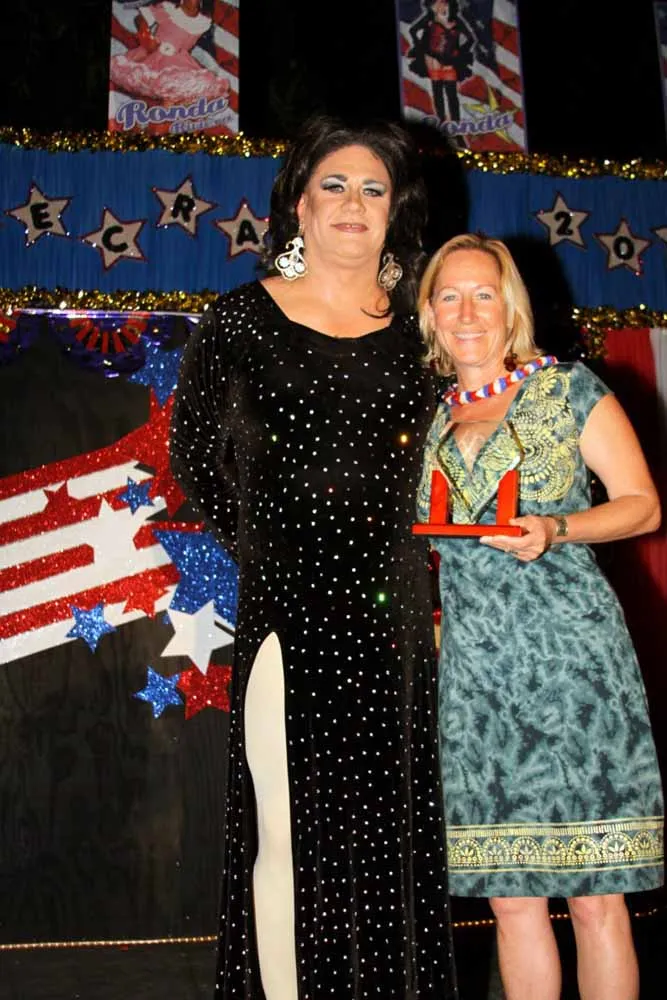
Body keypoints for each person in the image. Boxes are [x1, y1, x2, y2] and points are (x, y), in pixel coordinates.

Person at [170, 115, 458, 1000]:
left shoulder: (428, 322)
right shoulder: (241, 318)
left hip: (395, 615)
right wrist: (266, 550)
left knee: (389, 835)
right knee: (285, 828)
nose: (352, 202)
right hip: (286, 613)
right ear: (298, 204)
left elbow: (475, 444)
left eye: (373, 188)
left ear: (395, 208)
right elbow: (193, 455)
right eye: (333, 184)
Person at [416, 233, 664, 1000]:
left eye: (482, 295)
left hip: (572, 667)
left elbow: (642, 505)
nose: (466, 312)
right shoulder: (432, 417)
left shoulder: (567, 388)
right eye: (449, 296)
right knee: (510, 897)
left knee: (593, 898)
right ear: (428, 313)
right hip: (477, 678)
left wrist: (556, 528)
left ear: (510, 308)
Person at [110, 0, 230, 105]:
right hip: (153, 57)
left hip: (180, 61)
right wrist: (146, 35)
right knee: (152, 82)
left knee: (189, 88)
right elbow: (140, 18)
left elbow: (189, 46)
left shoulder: (203, 22)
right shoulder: (168, 9)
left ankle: (171, 113)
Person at [408, 0, 475, 125]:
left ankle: (456, 124)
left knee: (451, 94)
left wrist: (459, 53)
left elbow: (471, 39)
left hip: (450, 62)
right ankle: (441, 122)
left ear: (449, 4)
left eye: (443, 3)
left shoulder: (456, 21)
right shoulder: (429, 19)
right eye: (436, 4)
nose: (439, 6)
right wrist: (422, 49)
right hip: (433, 62)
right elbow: (413, 30)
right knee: (437, 93)